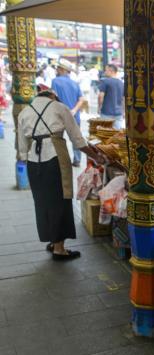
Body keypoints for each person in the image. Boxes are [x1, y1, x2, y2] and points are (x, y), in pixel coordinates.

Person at [17, 87, 100, 261]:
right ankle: (59, 249)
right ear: (53, 96)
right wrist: (97, 157)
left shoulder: (24, 112)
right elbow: (77, 140)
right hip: (55, 158)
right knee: (60, 200)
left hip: (34, 162)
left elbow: (22, 148)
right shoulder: (59, 108)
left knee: (42, 202)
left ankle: (53, 241)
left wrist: (28, 161)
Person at [51, 59, 85, 167]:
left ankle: (61, 160)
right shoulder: (75, 83)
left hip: (59, 116)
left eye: (58, 68)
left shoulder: (55, 81)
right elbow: (82, 99)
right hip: (74, 116)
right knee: (76, 139)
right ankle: (77, 160)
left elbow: (53, 97)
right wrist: (74, 110)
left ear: (62, 70)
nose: (57, 70)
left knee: (58, 139)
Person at [97, 64, 124, 129]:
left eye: (106, 70)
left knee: (104, 133)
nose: (105, 72)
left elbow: (101, 96)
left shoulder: (105, 81)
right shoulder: (121, 83)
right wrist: (123, 111)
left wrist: (99, 107)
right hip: (118, 113)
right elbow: (123, 99)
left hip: (106, 112)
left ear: (111, 71)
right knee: (117, 134)